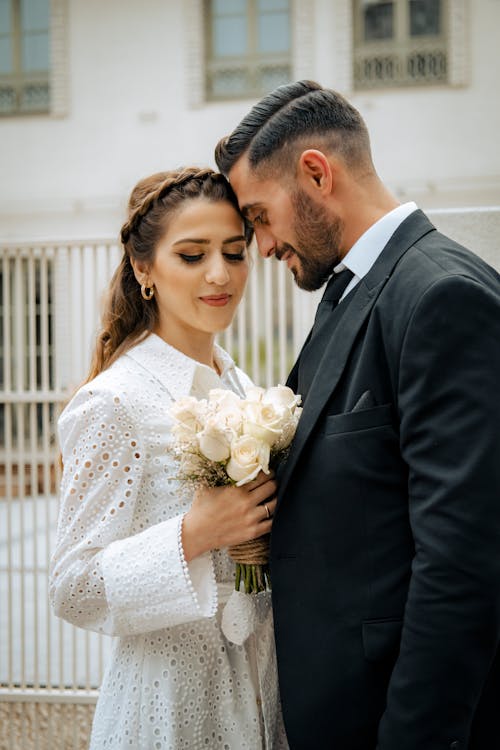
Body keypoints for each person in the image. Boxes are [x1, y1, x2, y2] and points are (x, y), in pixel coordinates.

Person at [214, 80, 500, 749]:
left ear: (317, 173)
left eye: (258, 217)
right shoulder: (351, 291)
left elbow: (462, 562)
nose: (259, 247)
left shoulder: (442, 297)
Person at [49, 167, 289, 749]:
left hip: (263, 702)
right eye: (191, 255)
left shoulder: (238, 383)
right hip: (168, 714)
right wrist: (193, 533)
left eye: (235, 253)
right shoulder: (113, 403)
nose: (219, 274)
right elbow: (71, 587)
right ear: (143, 268)